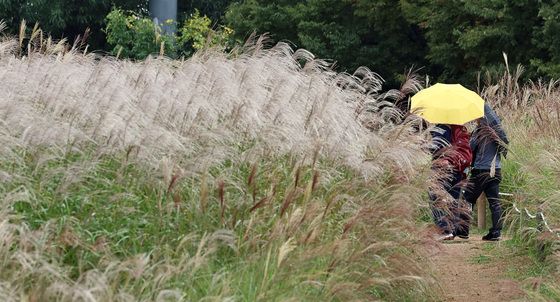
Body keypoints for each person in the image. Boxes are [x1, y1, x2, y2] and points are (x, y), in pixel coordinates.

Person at [462, 103, 509, 241]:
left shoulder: (480, 131)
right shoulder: (498, 133)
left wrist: (470, 138)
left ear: (481, 118)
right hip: (496, 170)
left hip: (481, 171)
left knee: (468, 199)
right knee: (494, 202)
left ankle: (462, 229)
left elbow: (470, 148)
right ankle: (496, 232)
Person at [429, 123, 473, 240]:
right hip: (458, 169)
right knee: (454, 200)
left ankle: (444, 230)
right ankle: (452, 230)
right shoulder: (461, 129)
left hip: (442, 167)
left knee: (436, 196)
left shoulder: (441, 128)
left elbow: (436, 147)